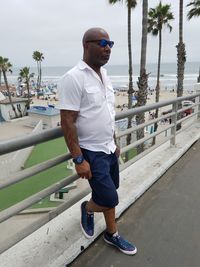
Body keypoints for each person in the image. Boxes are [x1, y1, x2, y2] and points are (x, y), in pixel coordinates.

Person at [58, 27, 137, 255]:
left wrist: (114, 141)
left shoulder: (105, 75)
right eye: (102, 43)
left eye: (110, 44)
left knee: (111, 191)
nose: (107, 48)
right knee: (110, 197)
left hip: (108, 148)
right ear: (86, 45)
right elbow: (68, 121)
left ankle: (112, 234)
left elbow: (106, 112)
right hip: (91, 151)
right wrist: (78, 158)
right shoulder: (74, 78)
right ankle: (87, 208)